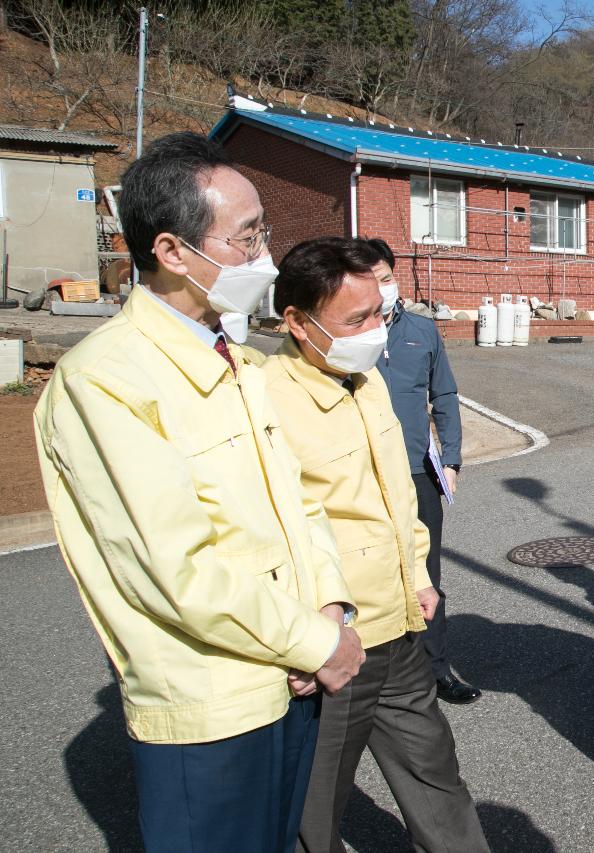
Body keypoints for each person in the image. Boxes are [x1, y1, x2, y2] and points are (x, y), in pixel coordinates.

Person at [33, 132, 364, 852]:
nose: (264, 258)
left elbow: (297, 499)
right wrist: (316, 641)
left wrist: (330, 606)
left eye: (263, 233)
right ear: (173, 251)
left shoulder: (238, 358)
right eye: (246, 238)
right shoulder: (108, 380)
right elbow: (175, 569)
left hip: (291, 679)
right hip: (212, 710)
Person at [263, 237, 488, 852]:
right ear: (296, 322)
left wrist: (419, 574)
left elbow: (397, 495)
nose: (374, 331)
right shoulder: (262, 401)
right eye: (356, 320)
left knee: (437, 779)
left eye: (379, 316)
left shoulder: (367, 382)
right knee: (315, 811)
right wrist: (307, 639)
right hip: (334, 647)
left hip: (400, 631)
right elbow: (268, 537)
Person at [367, 237, 481, 705]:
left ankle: (436, 671)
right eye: (371, 281)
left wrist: (450, 459)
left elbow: (446, 396)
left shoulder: (422, 331)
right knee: (370, 574)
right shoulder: (349, 338)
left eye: (386, 278)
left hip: (419, 474)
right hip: (366, 477)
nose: (382, 288)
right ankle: (371, 677)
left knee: (427, 576)